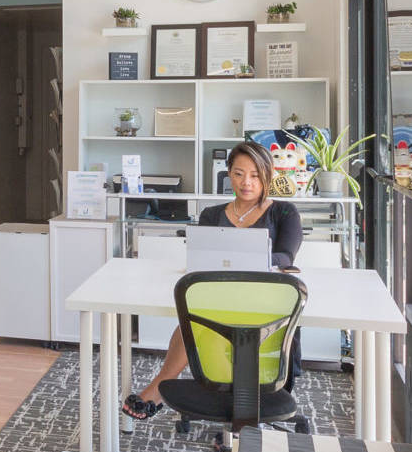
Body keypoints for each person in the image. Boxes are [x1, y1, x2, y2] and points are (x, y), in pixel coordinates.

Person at [123, 140, 302, 421]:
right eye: (239, 173)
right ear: (229, 174)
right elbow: (201, 260)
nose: (247, 182)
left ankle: (162, 390)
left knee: (206, 321)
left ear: (267, 175)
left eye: (255, 175)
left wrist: (248, 260)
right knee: (197, 319)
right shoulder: (212, 214)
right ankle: (188, 395)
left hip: (265, 306)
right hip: (219, 298)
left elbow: (285, 257)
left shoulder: (284, 212)